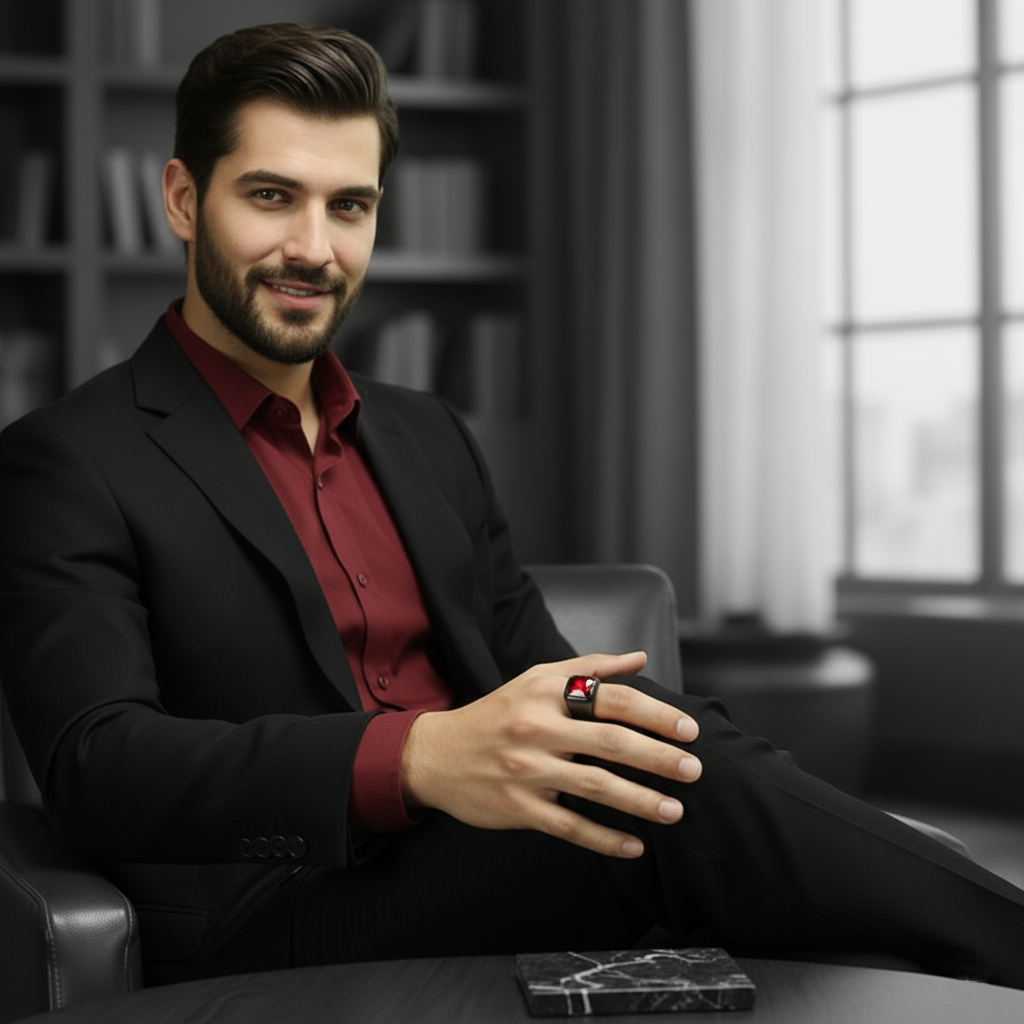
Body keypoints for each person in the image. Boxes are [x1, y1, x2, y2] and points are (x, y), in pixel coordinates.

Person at [0, 22, 1022, 990]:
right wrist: (419, 757)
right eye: (272, 196)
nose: (313, 246)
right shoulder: (66, 458)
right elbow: (100, 764)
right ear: (183, 198)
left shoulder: (425, 433)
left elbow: (545, 674)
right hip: (266, 908)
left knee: (670, 756)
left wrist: (706, 755)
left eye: (349, 206)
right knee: (684, 807)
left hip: (493, 861)